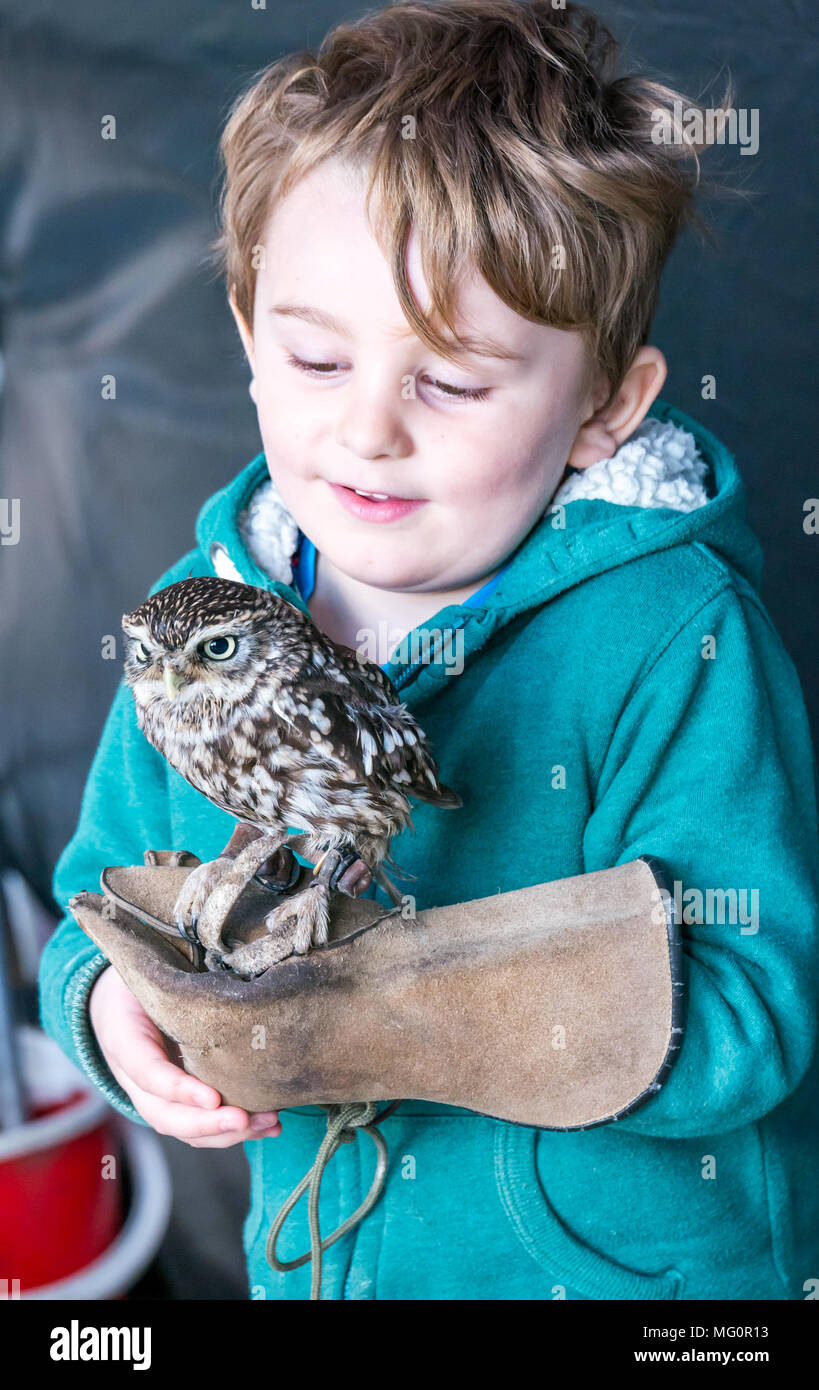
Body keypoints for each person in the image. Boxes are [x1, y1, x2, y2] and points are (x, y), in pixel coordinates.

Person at [39, 0, 819, 1300]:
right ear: (246, 339)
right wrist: (117, 1016)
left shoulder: (671, 636)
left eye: (451, 381)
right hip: (330, 1268)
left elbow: (759, 1007)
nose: (371, 431)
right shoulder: (202, 613)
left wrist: (417, 1008)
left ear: (603, 409)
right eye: (316, 356)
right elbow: (98, 901)